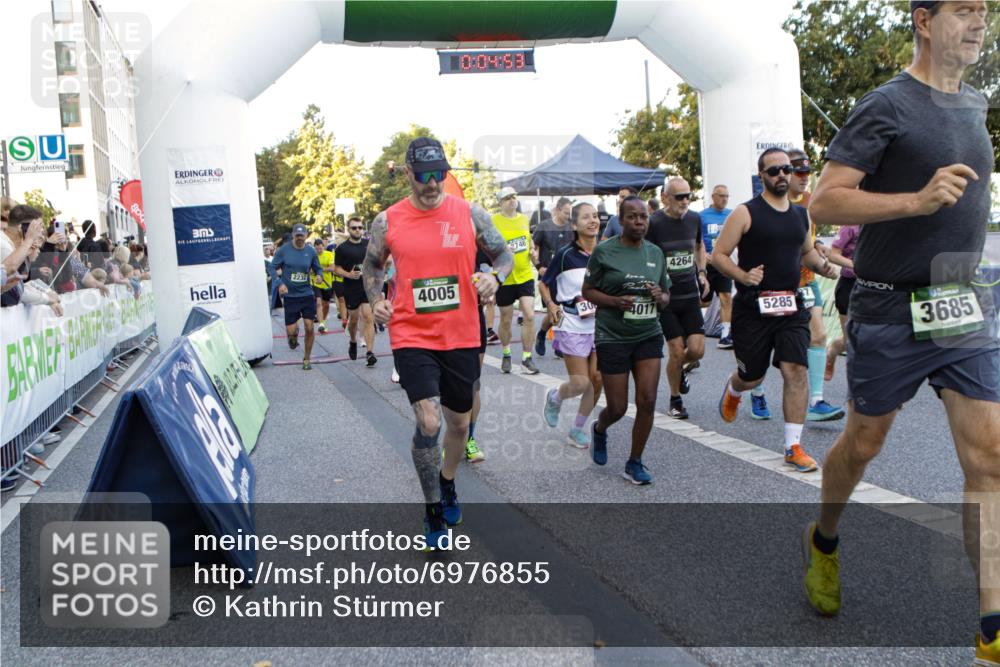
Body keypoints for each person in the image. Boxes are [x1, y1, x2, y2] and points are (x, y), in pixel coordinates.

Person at [801, 6, 1000, 661]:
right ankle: (825, 535)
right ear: (923, 20)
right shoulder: (886, 105)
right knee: (864, 443)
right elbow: (825, 200)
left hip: (961, 303)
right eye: (965, 10)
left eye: (985, 11)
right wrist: (915, 201)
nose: (980, 23)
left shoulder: (973, 101)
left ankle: (992, 626)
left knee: (989, 458)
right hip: (889, 307)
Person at [361, 137, 512, 547]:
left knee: (459, 424)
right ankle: (432, 512)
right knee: (429, 421)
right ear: (408, 173)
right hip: (411, 332)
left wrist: (493, 277)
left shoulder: (470, 213)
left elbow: (504, 256)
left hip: (461, 332)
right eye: (424, 175)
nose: (432, 183)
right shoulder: (388, 220)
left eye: (439, 174)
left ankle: (447, 483)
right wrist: (376, 300)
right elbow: (372, 266)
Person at [712, 148, 838, 473]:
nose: (783, 175)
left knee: (796, 370)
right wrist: (743, 276)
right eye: (774, 171)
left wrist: (823, 268)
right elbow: (720, 255)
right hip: (753, 308)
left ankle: (792, 446)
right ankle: (735, 388)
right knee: (752, 376)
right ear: (762, 177)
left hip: (791, 304)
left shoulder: (801, 215)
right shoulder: (745, 212)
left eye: (788, 169)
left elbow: (807, 253)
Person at [582, 195, 670, 484]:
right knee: (618, 407)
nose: (639, 222)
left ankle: (634, 462)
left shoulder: (656, 253)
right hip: (613, 335)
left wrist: (661, 296)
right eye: (632, 216)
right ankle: (600, 428)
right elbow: (588, 291)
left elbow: (666, 297)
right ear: (621, 220)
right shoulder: (605, 251)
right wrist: (614, 301)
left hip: (648, 333)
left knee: (647, 400)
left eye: (643, 216)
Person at [540, 202, 603, 447]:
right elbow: (544, 283)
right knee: (580, 383)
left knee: (597, 379)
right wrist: (551, 305)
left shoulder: (606, 251)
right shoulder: (566, 254)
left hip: (601, 325)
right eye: (586, 218)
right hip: (572, 324)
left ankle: (577, 429)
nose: (593, 221)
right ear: (574, 225)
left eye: (595, 216)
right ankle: (555, 397)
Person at [646, 177, 709, 420]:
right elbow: (646, 256)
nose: (685, 201)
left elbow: (699, 246)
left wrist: (702, 272)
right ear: (665, 198)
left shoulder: (694, 219)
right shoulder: (654, 223)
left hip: (690, 295)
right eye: (679, 197)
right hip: (666, 298)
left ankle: (681, 369)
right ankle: (675, 400)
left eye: (688, 196)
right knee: (675, 350)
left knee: (697, 351)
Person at [790, 148, 845, 421]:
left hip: (807, 280)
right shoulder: (766, 204)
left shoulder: (811, 201)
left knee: (819, 335)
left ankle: (816, 401)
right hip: (778, 283)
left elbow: (809, 238)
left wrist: (819, 247)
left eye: (807, 173)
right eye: (798, 173)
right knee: (770, 345)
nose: (804, 178)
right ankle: (755, 390)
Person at [492, 187, 539, 375]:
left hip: (525, 274)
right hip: (505, 277)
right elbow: (488, 245)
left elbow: (528, 241)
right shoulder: (494, 221)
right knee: (505, 318)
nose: (512, 200)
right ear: (501, 202)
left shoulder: (523, 219)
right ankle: (506, 353)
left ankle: (527, 358)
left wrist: (533, 250)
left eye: (514, 196)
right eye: (507, 198)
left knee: (529, 315)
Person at [271, 223, 323, 370]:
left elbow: (317, 267)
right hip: (290, 296)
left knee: (309, 326)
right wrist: (279, 283)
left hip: (307, 294)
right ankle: (292, 338)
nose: (300, 238)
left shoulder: (311, 251)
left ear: (306, 236)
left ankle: (307, 359)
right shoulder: (283, 250)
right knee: (292, 331)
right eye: (297, 235)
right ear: (293, 235)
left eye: (302, 235)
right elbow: (272, 267)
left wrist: (319, 275)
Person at [532, 195, 575, 357]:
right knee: (554, 310)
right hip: (548, 276)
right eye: (565, 213)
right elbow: (532, 249)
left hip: (566, 276)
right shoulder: (544, 226)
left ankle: (556, 343)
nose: (568, 216)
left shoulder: (572, 228)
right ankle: (543, 334)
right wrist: (538, 266)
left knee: (563, 310)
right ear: (557, 210)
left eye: (570, 214)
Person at [1, 205, 63, 315]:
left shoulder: (11, 246)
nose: (41, 235)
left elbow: (20, 285)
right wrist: (47, 299)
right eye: (38, 228)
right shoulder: (4, 247)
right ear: (23, 229)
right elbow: (17, 292)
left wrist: (47, 295)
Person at [335, 216, 377, 366]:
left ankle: (370, 352)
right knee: (353, 320)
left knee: (368, 316)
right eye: (354, 228)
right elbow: (337, 268)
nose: (358, 230)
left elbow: (375, 260)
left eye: (360, 227)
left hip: (366, 287)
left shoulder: (368, 244)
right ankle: (353, 341)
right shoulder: (342, 248)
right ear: (349, 229)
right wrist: (349, 274)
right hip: (351, 288)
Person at [700, 184, 735, 349]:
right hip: (705, 264)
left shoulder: (732, 215)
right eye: (721, 195)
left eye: (727, 196)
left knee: (725, 297)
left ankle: (725, 334)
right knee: (703, 300)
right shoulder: (702, 216)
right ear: (713, 196)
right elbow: (695, 240)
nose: (725, 199)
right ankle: (690, 327)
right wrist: (702, 256)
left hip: (722, 262)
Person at [824, 224, 860, 380]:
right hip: (849, 285)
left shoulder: (881, 222)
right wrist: (858, 266)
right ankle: (832, 352)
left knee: (868, 337)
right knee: (850, 340)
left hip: (874, 286)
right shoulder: (850, 225)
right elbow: (833, 255)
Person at [311, 237, 337, 332]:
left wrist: (318, 269)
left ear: (323, 247)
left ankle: (323, 321)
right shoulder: (312, 256)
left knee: (326, 304)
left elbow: (332, 268)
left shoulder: (329, 254)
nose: (319, 250)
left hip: (327, 283)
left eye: (320, 248)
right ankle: (321, 323)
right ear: (314, 248)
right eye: (317, 249)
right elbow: (309, 269)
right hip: (315, 282)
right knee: (318, 302)